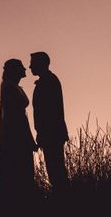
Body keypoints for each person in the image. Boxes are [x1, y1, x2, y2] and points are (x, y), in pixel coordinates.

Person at [30, 51, 69, 193]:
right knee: (55, 170)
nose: (29, 67)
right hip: (51, 133)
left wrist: (43, 133)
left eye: (32, 63)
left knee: (56, 171)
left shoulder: (49, 81)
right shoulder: (48, 80)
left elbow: (50, 112)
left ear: (40, 64)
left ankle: (64, 200)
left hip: (52, 134)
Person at [0, 58, 37, 191]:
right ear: (14, 70)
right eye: (21, 67)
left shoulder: (13, 87)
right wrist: (27, 138)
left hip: (18, 136)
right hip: (15, 137)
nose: (25, 69)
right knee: (18, 173)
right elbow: (17, 117)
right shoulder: (9, 87)